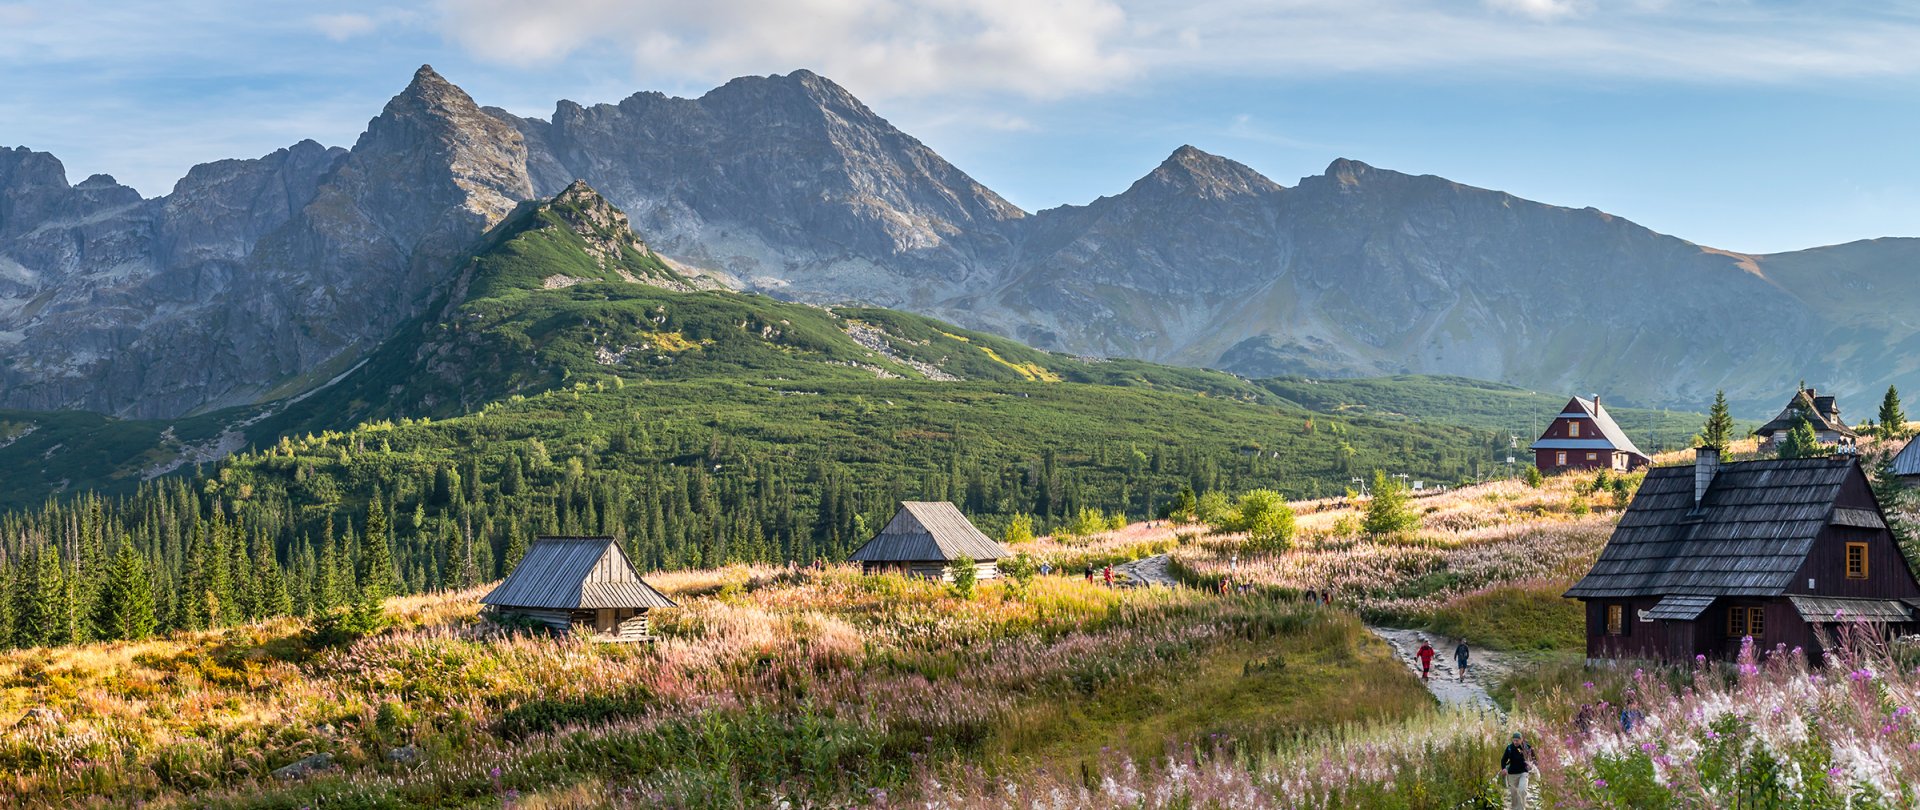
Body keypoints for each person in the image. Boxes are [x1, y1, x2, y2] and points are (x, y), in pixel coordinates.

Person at [1499, 732, 1534, 809]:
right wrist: (1504, 768)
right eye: (1514, 740)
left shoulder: (1527, 747)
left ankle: (1521, 808)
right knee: (1514, 795)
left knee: (1522, 790)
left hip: (1523, 773)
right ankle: (1514, 808)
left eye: (1517, 740)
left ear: (1521, 740)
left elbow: (1534, 758)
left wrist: (1531, 764)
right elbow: (1503, 760)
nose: (1515, 742)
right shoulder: (1509, 748)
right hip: (1512, 774)